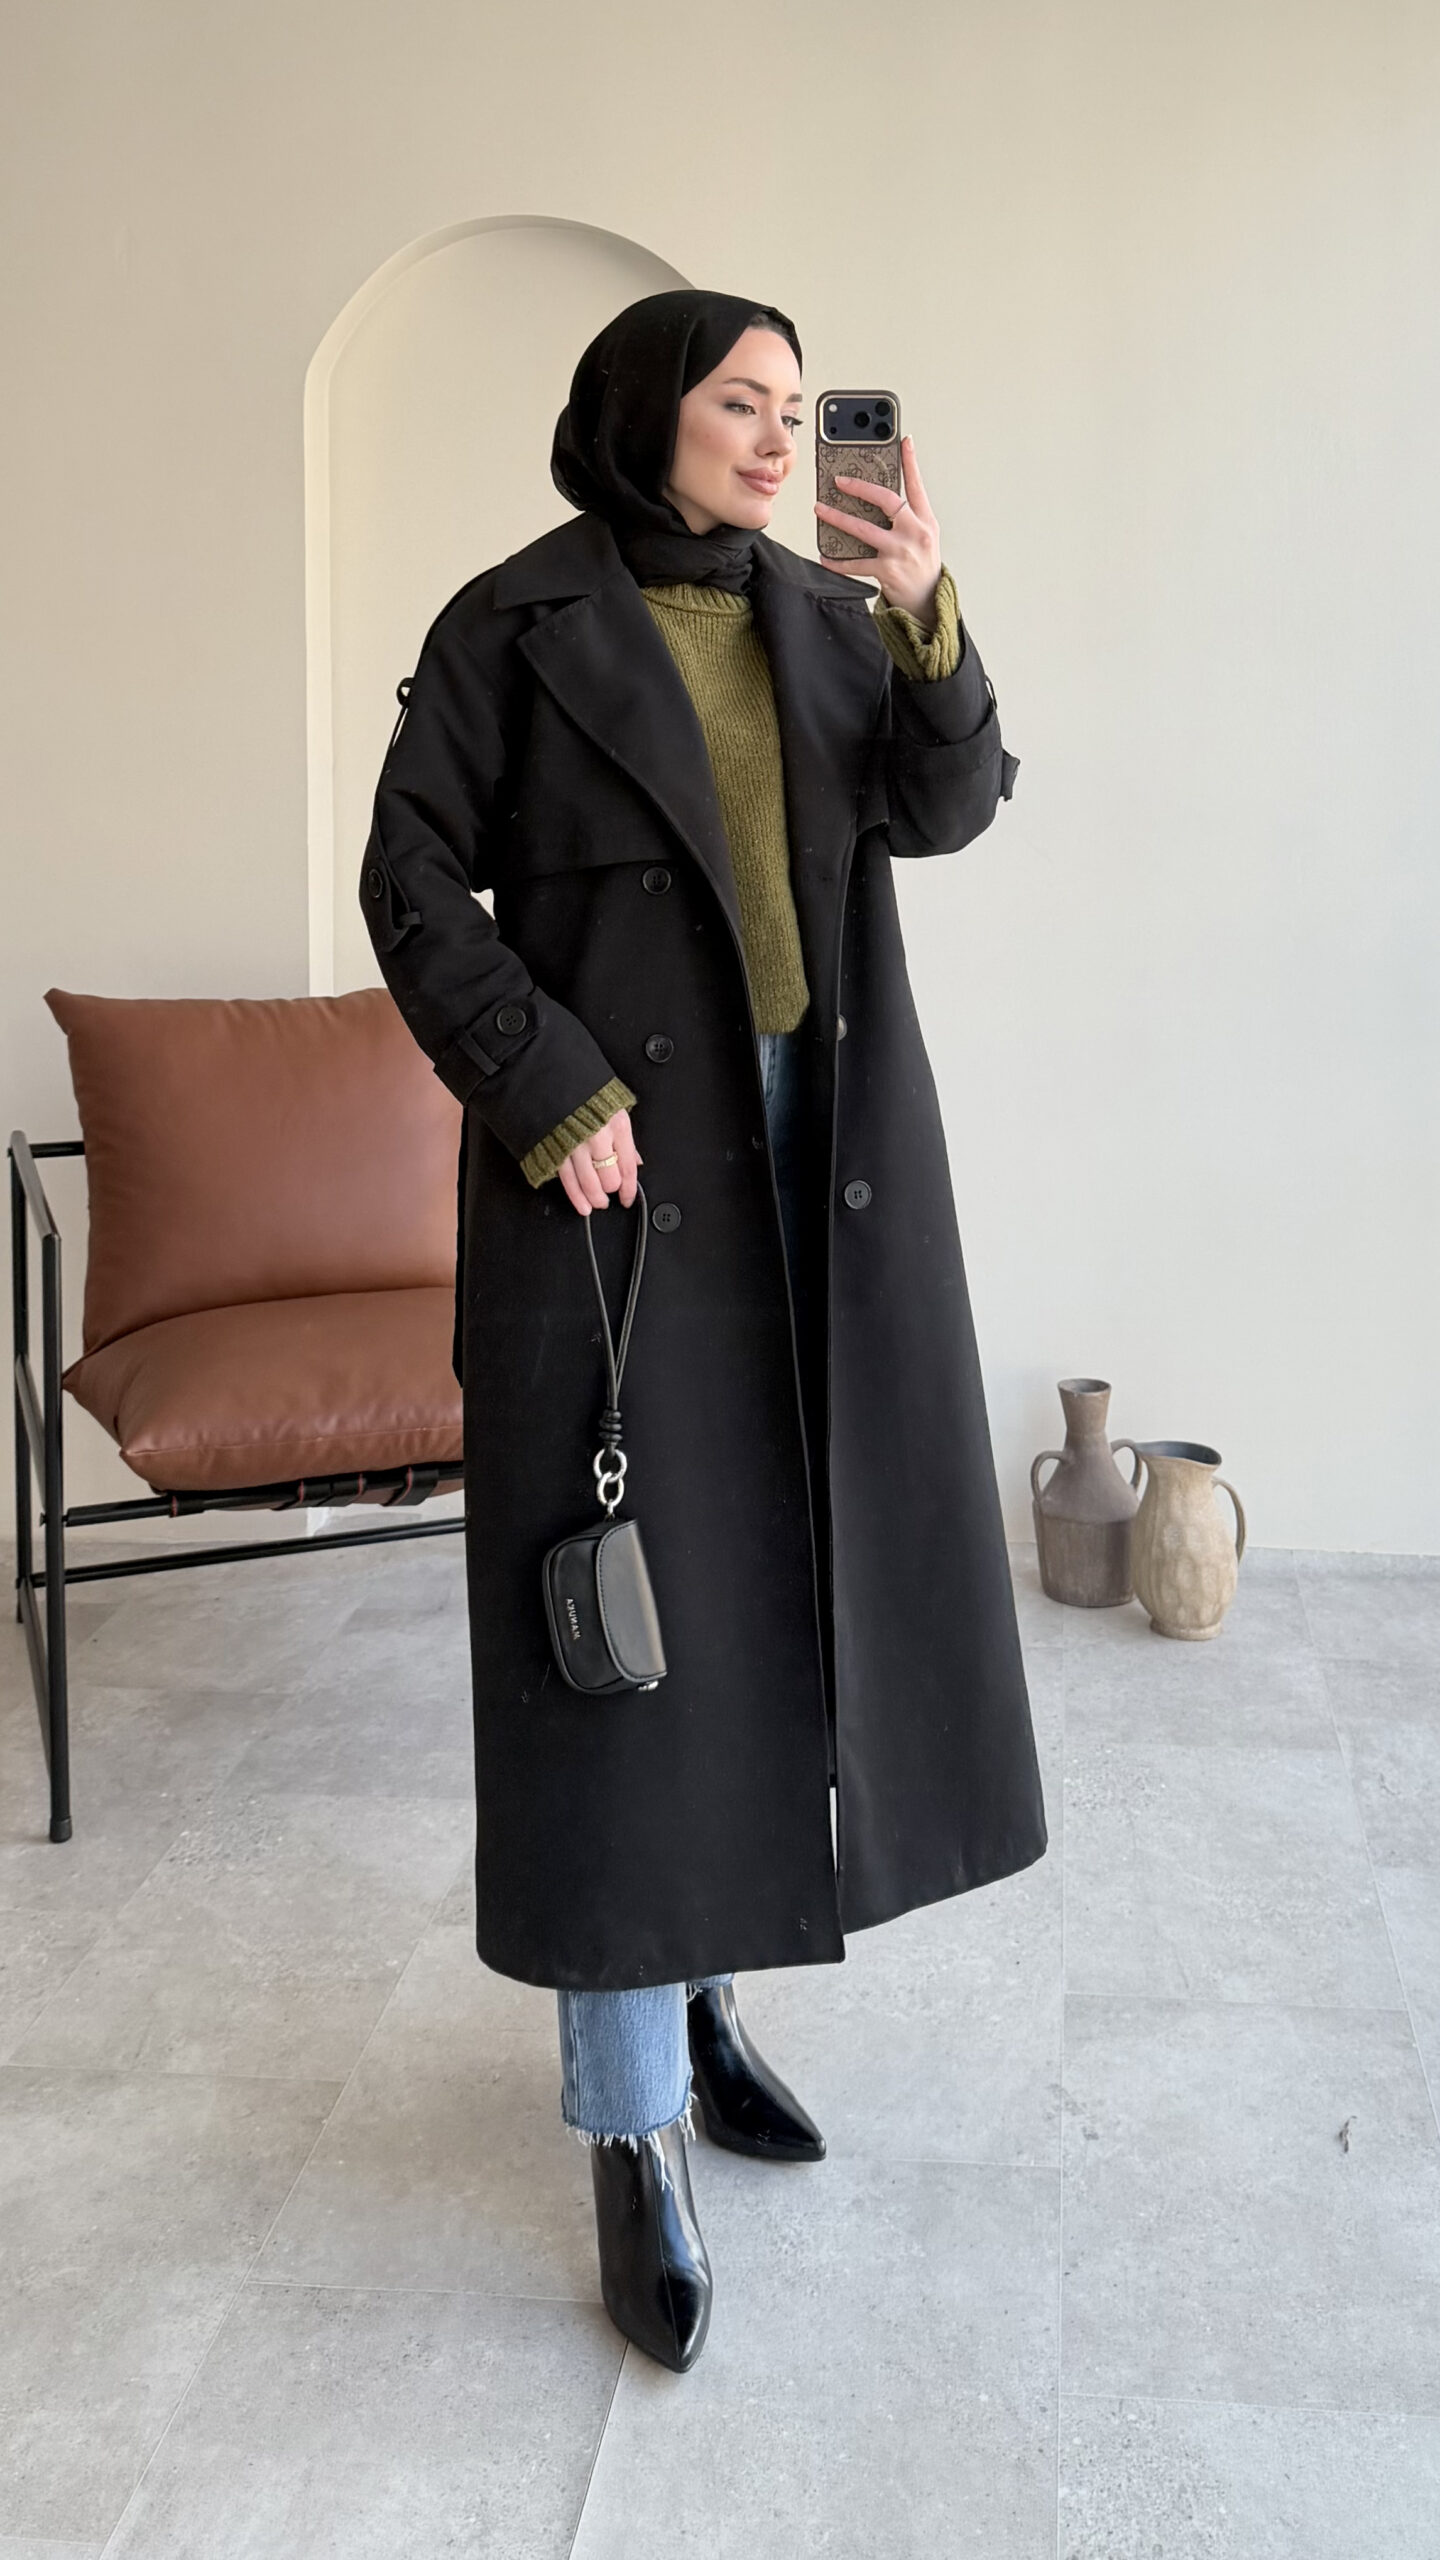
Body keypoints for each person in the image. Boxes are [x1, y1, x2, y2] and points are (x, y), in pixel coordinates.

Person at [360, 288, 1048, 2374]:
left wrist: (928, 613)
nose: (775, 435)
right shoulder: (514, 625)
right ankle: (630, 2120)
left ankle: (712, 1994)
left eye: (795, 405)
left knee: (765, 1602)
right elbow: (409, 880)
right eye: (740, 401)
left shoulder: (832, 617)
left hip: (821, 1163)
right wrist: (544, 1079)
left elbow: (952, 806)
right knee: (619, 1648)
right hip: (611, 1175)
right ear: (642, 411)